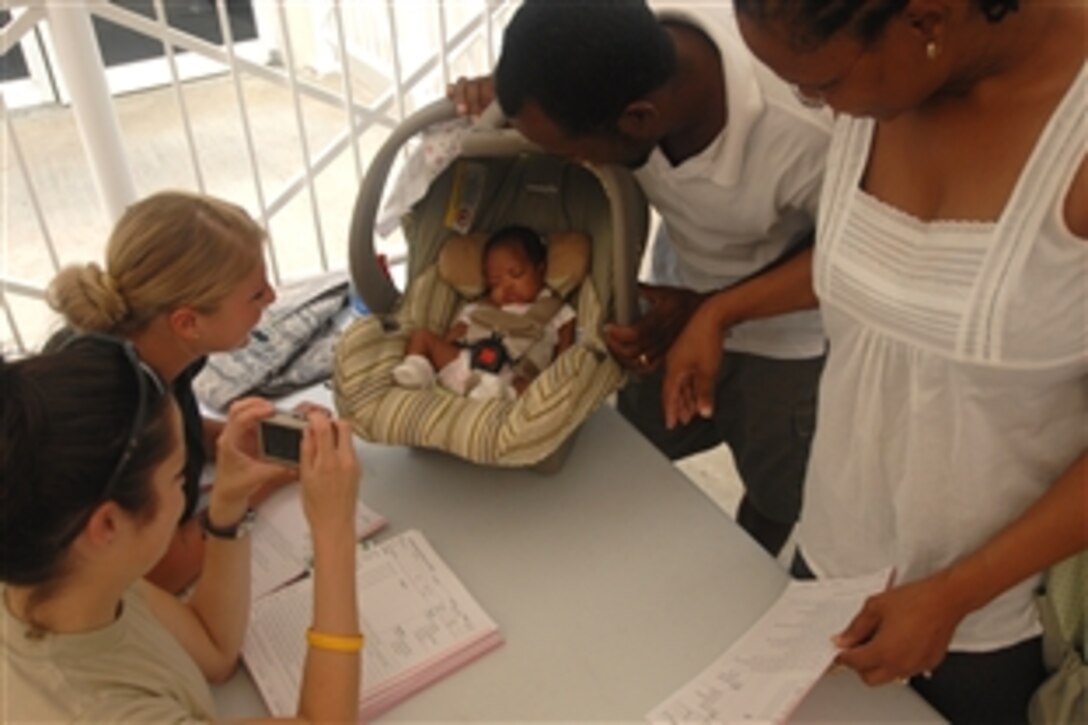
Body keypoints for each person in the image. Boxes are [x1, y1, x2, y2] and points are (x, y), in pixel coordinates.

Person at [664, 0, 1087, 721]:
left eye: (820, 84)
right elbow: (898, 272)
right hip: (830, 565)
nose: (811, 107)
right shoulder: (880, 88)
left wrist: (954, 594)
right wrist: (724, 309)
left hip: (994, 625)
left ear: (924, 22)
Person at [448, 0, 831, 554]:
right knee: (627, 446)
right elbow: (550, 84)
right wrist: (500, 94)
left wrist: (715, 310)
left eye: (575, 153)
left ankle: (749, 575)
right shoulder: (610, 53)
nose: (575, 164)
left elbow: (845, 255)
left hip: (786, 335)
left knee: (777, 489)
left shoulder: (804, 132)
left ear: (639, 118)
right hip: (679, 300)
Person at [0, 335, 362, 721]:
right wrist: (333, 532)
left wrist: (228, 502)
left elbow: (214, 649)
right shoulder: (96, 710)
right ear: (107, 524)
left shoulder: (57, 564)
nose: (189, 491)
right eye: (178, 477)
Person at [47, 190, 286, 594]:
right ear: (188, 322)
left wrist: (240, 438)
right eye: (255, 295)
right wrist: (264, 484)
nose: (273, 298)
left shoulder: (146, 347)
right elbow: (159, 572)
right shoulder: (118, 414)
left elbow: (183, 431)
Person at [392, 225, 576, 401]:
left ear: (540, 270)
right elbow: (453, 337)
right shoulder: (479, 307)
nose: (506, 288)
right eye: (495, 282)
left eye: (516, 274)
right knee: (421, 336)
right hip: (467, 363)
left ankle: (501, 394)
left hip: (514, 375)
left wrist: (555, 380)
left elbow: (565, 358)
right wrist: (445, 351)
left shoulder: (558, 311)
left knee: (535, 388)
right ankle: (417, 370)